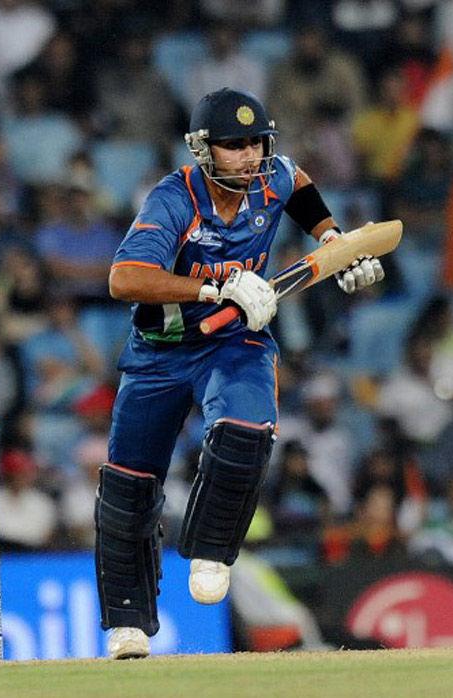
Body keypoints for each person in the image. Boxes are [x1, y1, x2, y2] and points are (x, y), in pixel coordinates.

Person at [95, 87, 386, 659]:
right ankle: (127, 622)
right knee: (130, 482)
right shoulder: (174, 198)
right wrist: (215, 286)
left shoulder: (274, 175)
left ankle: (211, 549)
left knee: (248, 429)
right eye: (233, 146)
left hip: (235, 340)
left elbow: (299, 185)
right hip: (159, 350)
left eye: (255, 142)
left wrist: (333, 242)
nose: (249, 156)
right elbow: (124, 279)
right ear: (204, 151)